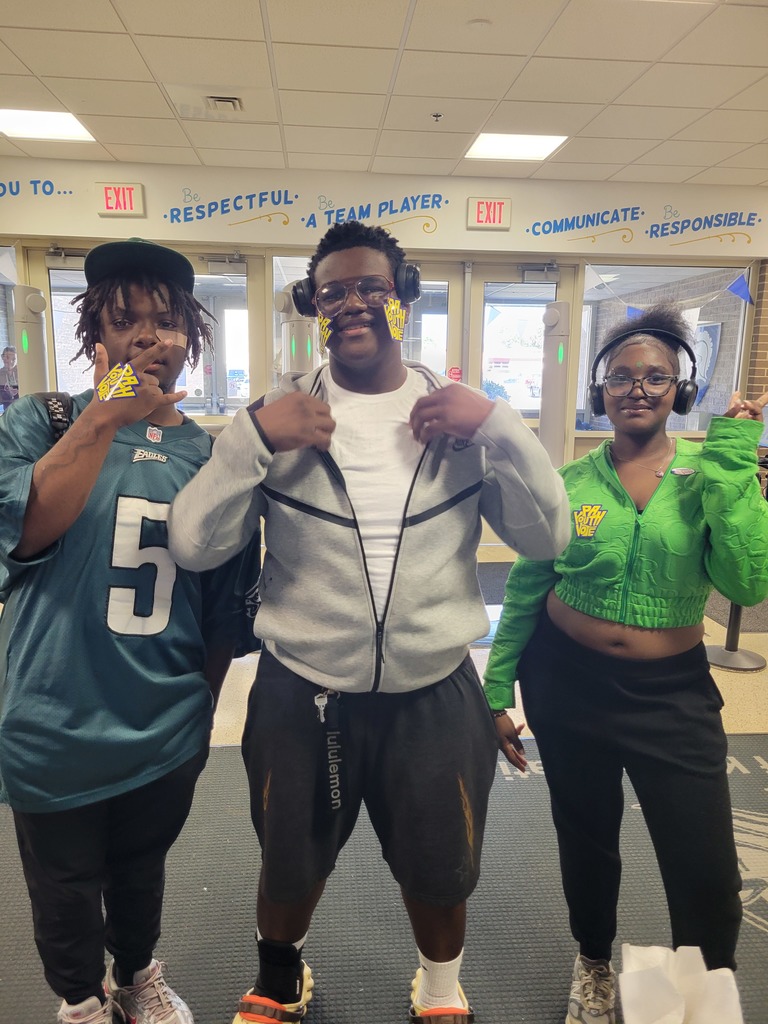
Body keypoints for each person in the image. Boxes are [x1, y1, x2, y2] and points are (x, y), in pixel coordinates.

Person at [167, 220, 570, 1023]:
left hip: (433, 689)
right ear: (315, 308)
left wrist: (496, 424)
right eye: (332, 292)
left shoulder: (460, 418)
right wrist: (248, 439)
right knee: (288, 857)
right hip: (300, 687)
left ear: (404, 298)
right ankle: (280, 978)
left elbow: (546, 536)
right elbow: (196, 544)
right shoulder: (276, 419)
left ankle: (440, 988)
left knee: (441, 863)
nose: (351, 304)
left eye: (370, 288)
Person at [484, 303, 768, 1024]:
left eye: (657, 376)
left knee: (704, 867)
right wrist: (496, 688)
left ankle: (702, 993)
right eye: (621, 376)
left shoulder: (711, 475)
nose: (637, 388)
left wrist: (737, 461)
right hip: (564, 683)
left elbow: (748, 583)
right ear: (600, 390)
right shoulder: (570, 481)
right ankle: (592, 964)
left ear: (682, 389)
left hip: (671, 693)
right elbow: (526, 588)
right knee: (586, 836)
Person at [0, 238, 258, 1024]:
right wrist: (108, 415)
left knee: (141, 872)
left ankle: (138, 975)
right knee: (63, 889)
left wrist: (198, 714)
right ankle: (80, 1003)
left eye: (166, 321)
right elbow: (31, 527)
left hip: (161, 725)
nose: (147, 336)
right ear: (96, 338)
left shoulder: (210, 459)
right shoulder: (40, 421)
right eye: (125, 322)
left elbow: (221, 612)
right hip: (53, 720)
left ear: (193, 338)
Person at [0, 343, 19, 410]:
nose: (10, 361)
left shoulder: (23, 373)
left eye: (13, 359)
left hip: (22, 410)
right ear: (3, 358)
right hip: (6, 411)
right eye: (7, 358)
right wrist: (5, 392)